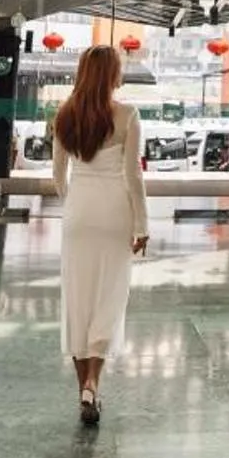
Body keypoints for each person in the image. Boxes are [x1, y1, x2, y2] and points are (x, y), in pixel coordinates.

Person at [51, 45, 148, 427]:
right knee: (109, 297)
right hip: (114, 213)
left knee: (79, 299)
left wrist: (75, 201)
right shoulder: (127, 115)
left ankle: (83, 391)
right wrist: (142, 225)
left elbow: (58, 177)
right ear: (112, 75)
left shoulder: (64, 113)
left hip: (79, 211)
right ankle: (94, 380)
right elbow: (134, 178)